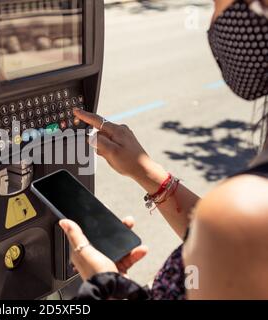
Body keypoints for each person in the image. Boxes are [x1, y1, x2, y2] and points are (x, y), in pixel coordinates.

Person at [60, 0, 268, 300]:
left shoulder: (245, 209)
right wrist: (149, 175)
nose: (213, 17)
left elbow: (234, 238)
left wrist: (105, 286)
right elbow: (234, 248)